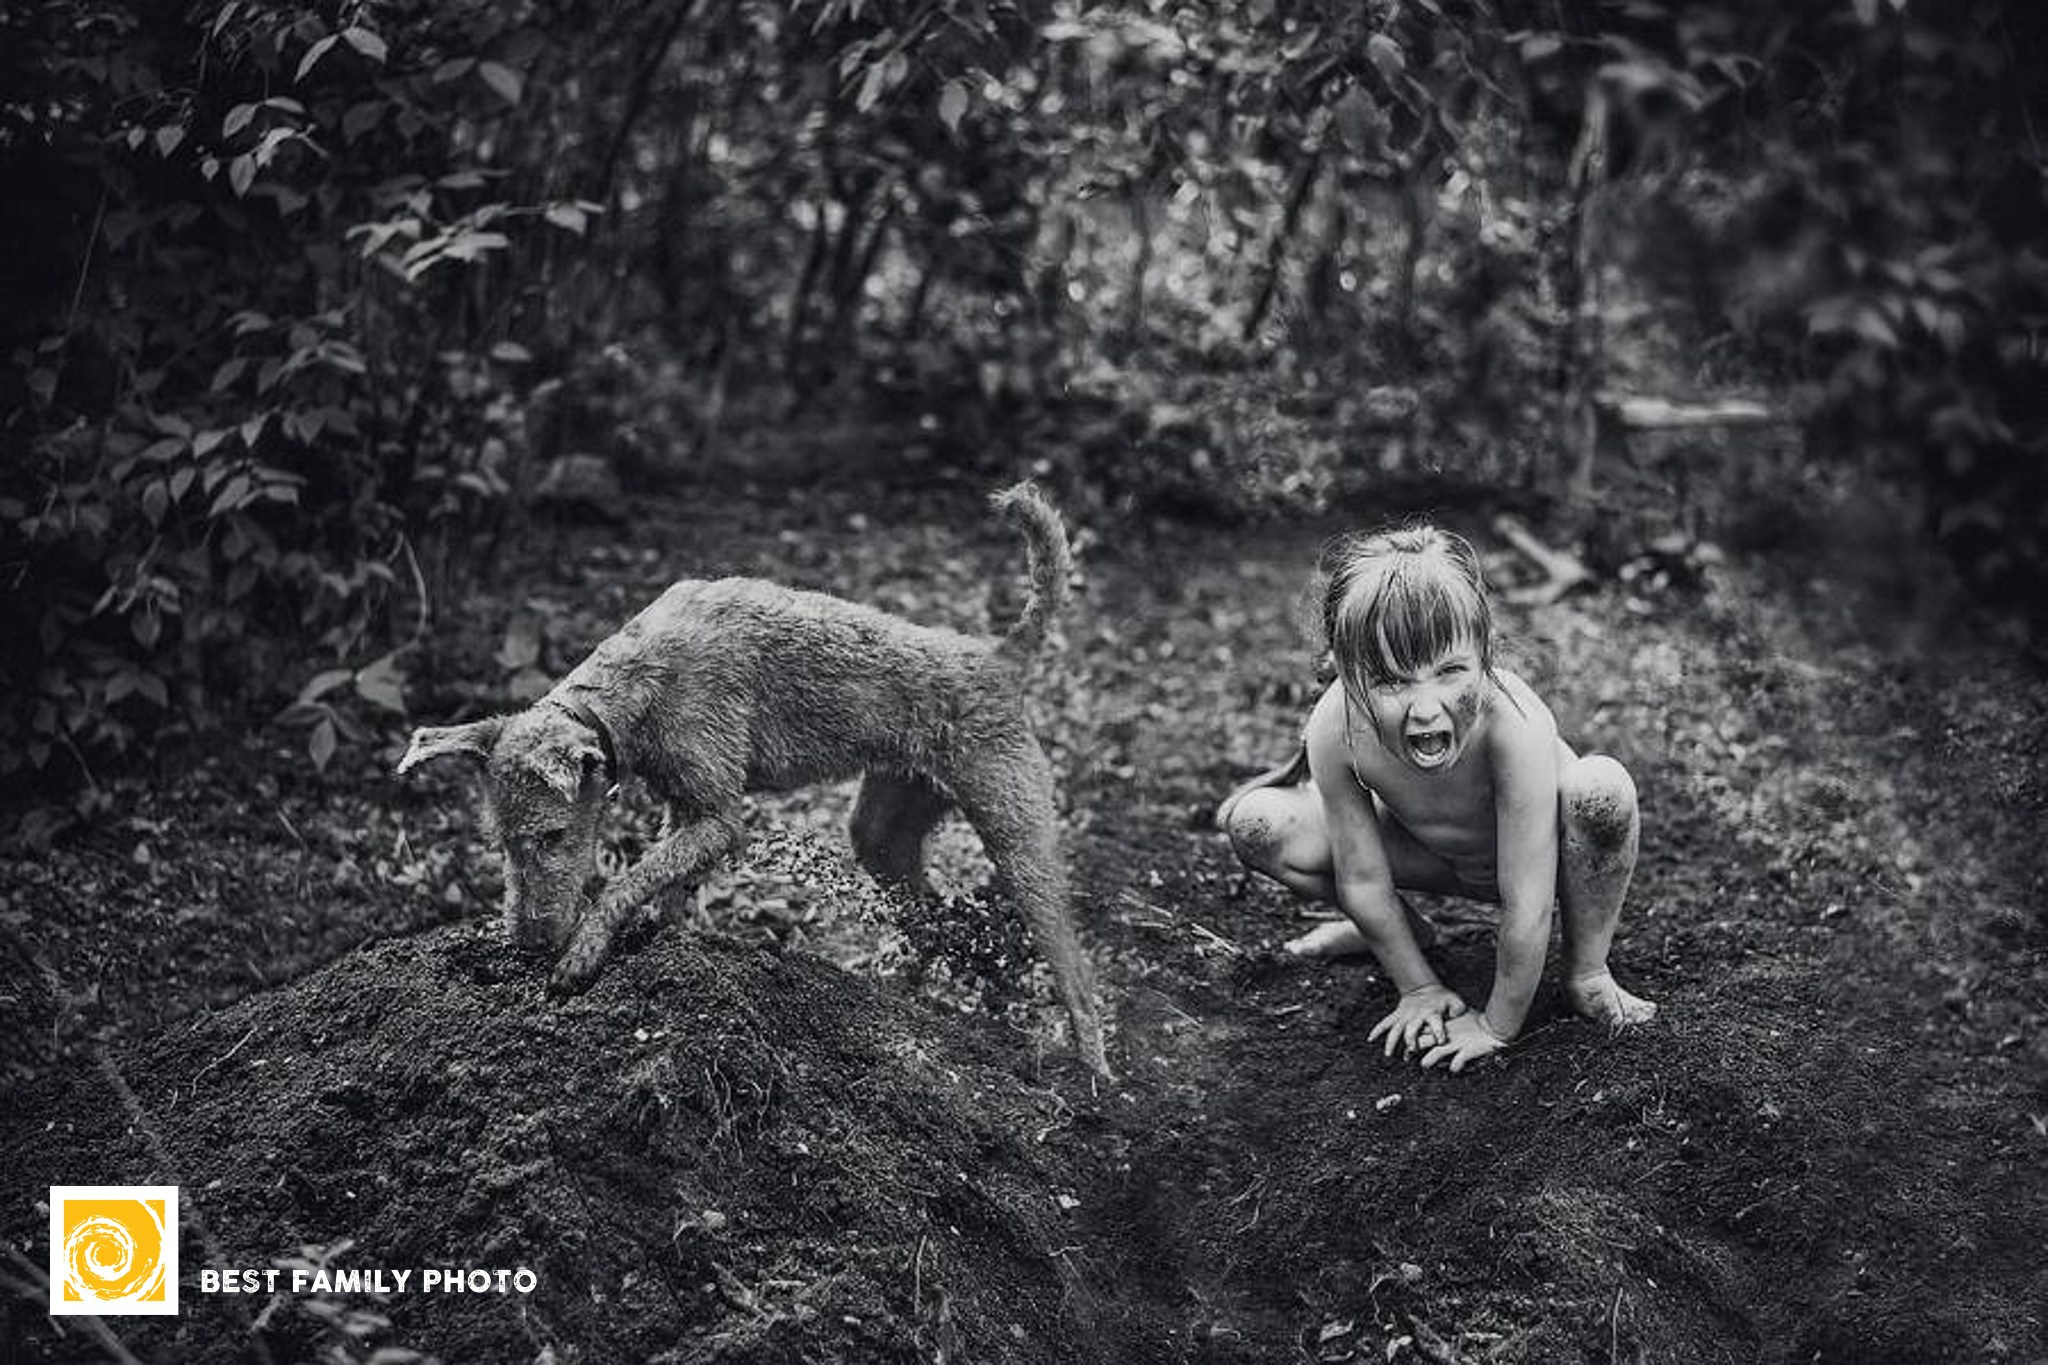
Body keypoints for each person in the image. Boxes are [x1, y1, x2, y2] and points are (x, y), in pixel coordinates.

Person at [1215, 524, 1656, 1073]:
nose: (1425, 708)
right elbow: (1363, 876)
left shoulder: (1511, 723)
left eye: (1449, 671)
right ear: (1346, 672)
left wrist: (1496, 1026)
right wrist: (1418, 987)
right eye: (1392, 681)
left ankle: (1586, 971)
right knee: (1257, 824)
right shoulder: (1336, 726)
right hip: (1430, 858)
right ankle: (1406, 935)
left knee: (1602, 791)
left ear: (1484, 652)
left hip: (1545, 867)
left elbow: (1529, 900)